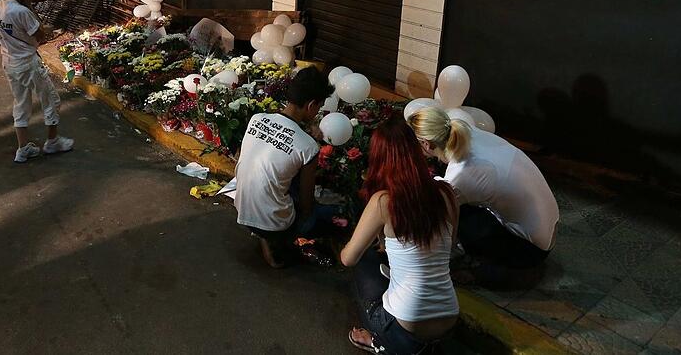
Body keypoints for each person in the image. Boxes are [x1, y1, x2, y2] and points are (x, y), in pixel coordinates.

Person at [341, 115, 459, 354]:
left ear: (380, 157)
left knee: (363, 260)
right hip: (449, 318)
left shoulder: (383, 202)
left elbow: (348, 258)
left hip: (405, 328)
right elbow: (450, 246)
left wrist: (349, 244)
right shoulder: (446, 193)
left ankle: (380, 341)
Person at [408, 107, 559, 270]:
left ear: (425, 144)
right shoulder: (464, 130)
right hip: (548, 229)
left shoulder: (463, 174)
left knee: (452, 212)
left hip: (529, 251)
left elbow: (430, 212)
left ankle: (483, 267)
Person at [234, 66, 334, 268]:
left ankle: (264, 233)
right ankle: (280, 240)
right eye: (319, 108)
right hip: (276, 223)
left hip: (242, 210)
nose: (317, 113)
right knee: (327, 213)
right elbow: (306, 204)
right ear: (311, 105)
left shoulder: (258, 119)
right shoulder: (308, 146)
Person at [0, 0, 73, 163]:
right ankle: (52, 141)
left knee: (21, 103)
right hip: (28, 63)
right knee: (51, 100)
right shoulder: (21, 11)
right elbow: (40, 36)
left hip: (10, 62)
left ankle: (23, 148)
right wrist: (28, 5)